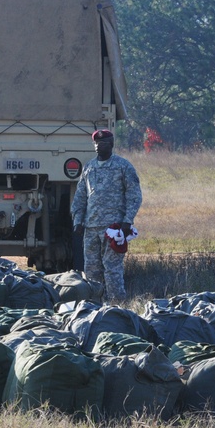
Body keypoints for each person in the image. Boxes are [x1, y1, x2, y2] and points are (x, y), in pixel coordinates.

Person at [70, 129, 142, 301]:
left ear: (110, 144)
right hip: (91, 228)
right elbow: (80, 196)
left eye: (102, 143)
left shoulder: (123, 166)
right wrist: (78, 220)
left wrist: (127, 221)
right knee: (92, 270)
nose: (98, 146)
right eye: (96, 143)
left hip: (113, 228)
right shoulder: (89, 167)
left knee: (112, 269)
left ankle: (117, 306)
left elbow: (134, 195)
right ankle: (95, 307)